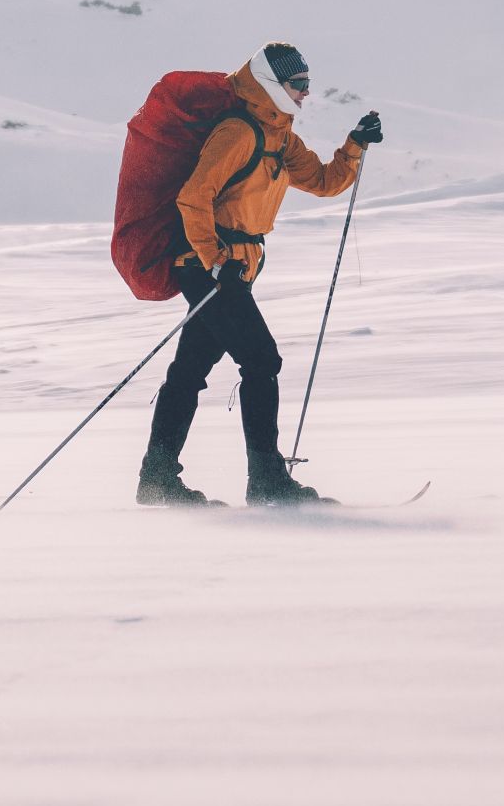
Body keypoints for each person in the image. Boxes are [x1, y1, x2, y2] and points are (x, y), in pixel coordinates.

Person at [139, 41, 385, 507]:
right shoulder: (238, 133)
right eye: (299, 84)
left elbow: (324, 182)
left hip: (234, 268)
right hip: (209, 266)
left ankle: (156, 482)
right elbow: (193, 198)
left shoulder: (280, 138)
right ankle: (267, 480)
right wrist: (215, 260)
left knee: (190, 370)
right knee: (261, 361)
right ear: (273, 84)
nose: (306, 93)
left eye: (307, 84)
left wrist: (355, 145)